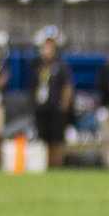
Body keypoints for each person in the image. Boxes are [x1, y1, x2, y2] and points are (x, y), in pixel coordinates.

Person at [29, 27, 75, 170]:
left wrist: (64, 105)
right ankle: (45, 165)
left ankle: (56, 166)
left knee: (57, 140)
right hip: (42, 107)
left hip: (56, 107)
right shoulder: (37, 65)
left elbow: (67, 86)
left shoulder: (61, 66)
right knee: (43, 139)